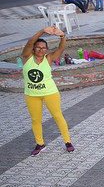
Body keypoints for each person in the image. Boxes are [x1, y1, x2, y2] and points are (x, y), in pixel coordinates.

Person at [21, 26, 75, 156]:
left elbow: (61, 48)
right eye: (38, 47)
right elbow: (29, 42)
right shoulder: (26, 57)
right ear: (34, 48)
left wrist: (62, 36)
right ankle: (40, 144)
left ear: (46, 50)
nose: (41, 49)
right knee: (35, 120)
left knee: (57, 116)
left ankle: (67, 142)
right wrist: (42, 31)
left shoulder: (48, 58)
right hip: (32, 94)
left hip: (50, 92)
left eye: (43, 48)